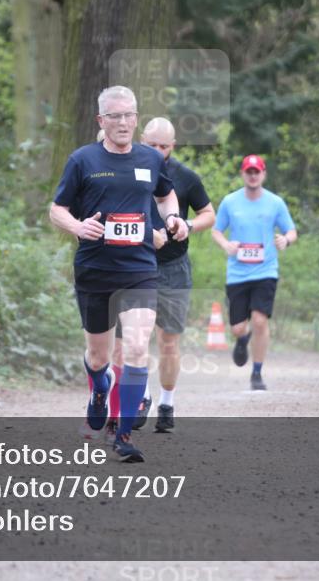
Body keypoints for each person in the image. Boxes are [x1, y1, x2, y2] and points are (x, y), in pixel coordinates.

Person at [50, 86, 188, 462]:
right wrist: (78, 227)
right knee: (98, 357)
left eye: (129, 115)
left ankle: (123, 434)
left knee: (138, 347)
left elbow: (165, 196)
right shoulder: (83, 160)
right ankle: (98, 388)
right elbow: (57, 209)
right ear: (102, 121)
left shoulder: (149, 158)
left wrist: (174, 218)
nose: (124, 122)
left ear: (136, 118)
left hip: (140, 268)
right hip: (95, 268)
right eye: (115, 116)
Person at [133, 117, 215, 432]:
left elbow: (209, 214)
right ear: (142, 140)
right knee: (137, 339)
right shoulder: (126, 171)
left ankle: (167, 402)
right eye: (151, 145)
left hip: (174, 268)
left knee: (168, 341)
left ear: (173, 146)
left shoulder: (185, 177)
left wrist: (190, 225)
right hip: (135, 263)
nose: (157, 151)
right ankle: (141, 397)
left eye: (163, 146)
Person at [211, 155, 297, 390]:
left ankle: (257, 373)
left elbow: (291, 231)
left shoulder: (275, 203)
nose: (252, 175)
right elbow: (216, 231)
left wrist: (285, 240)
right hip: (237, 273)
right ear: (242, 174)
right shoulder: (230, 202)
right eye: (248, 171)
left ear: (263, 174)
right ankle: (241, 339)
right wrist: (226, 245)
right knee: (239, 327)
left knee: (259, 321)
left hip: (265, 270)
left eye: (256, 171)